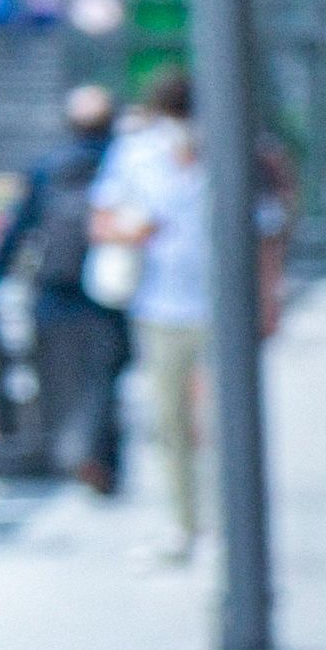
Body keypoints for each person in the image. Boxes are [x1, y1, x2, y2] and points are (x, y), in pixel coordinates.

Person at [86, 68, 215, 562]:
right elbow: (101, 220)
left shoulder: (228, 148)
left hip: (215, 304)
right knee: (171, 421)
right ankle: (188, 523)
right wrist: (133, 232)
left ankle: (221, 523)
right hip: (161, 303)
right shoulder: (137, 154)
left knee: (212, 420)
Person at [0, 80, 124, 495]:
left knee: (52, 375)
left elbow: (19, 229)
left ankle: (57, 449)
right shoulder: (122, 165)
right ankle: (102, 460)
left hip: (56, 289)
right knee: (106, 378)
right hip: (110, 290)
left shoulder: (48, 167)